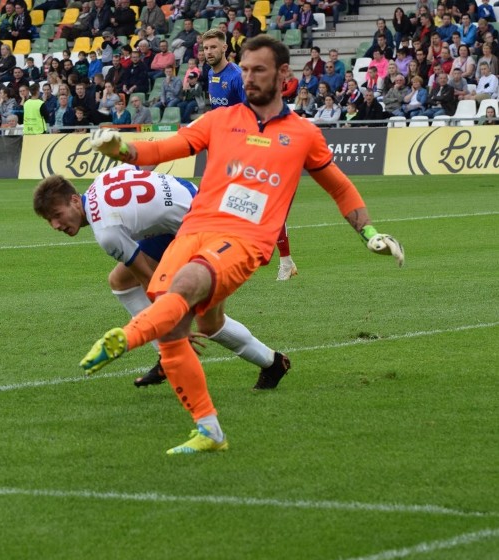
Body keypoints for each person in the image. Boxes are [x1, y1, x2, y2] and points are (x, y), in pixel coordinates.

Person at [83, 35, 405, 454]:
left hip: (247, 238)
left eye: (259, 70)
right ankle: (209, 430)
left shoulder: (303, 134)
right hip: (195, 226)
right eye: (246, 69)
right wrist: (121, 148)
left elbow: (340, 188)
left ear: (283, 74)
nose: (249, 78)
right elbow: (164, 148)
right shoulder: (221, 119)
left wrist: (370, 234)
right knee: (179, 328)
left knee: (186, 286)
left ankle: (126, 338)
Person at [34, 166, 291, 389]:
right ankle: (169, 358)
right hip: (188, 209)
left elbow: (150, 280)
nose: (56, 225)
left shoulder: (107, 234)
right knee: (121, 281)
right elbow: (144, 167)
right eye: (49, 220)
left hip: (204, 224)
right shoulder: (103, 179)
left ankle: (272, 363)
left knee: (208, 322)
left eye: (57, 215)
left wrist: (172, 322)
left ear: (75, 201)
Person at [204, 28, 298, 280]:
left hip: (250, 146)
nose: (208, 52)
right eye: (205, 48)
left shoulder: (236, 76)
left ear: (225, 48)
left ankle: (281, 261)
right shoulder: (210, 75)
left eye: (213, 47)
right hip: (230, 147)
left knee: (260, 206)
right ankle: (272, 260)